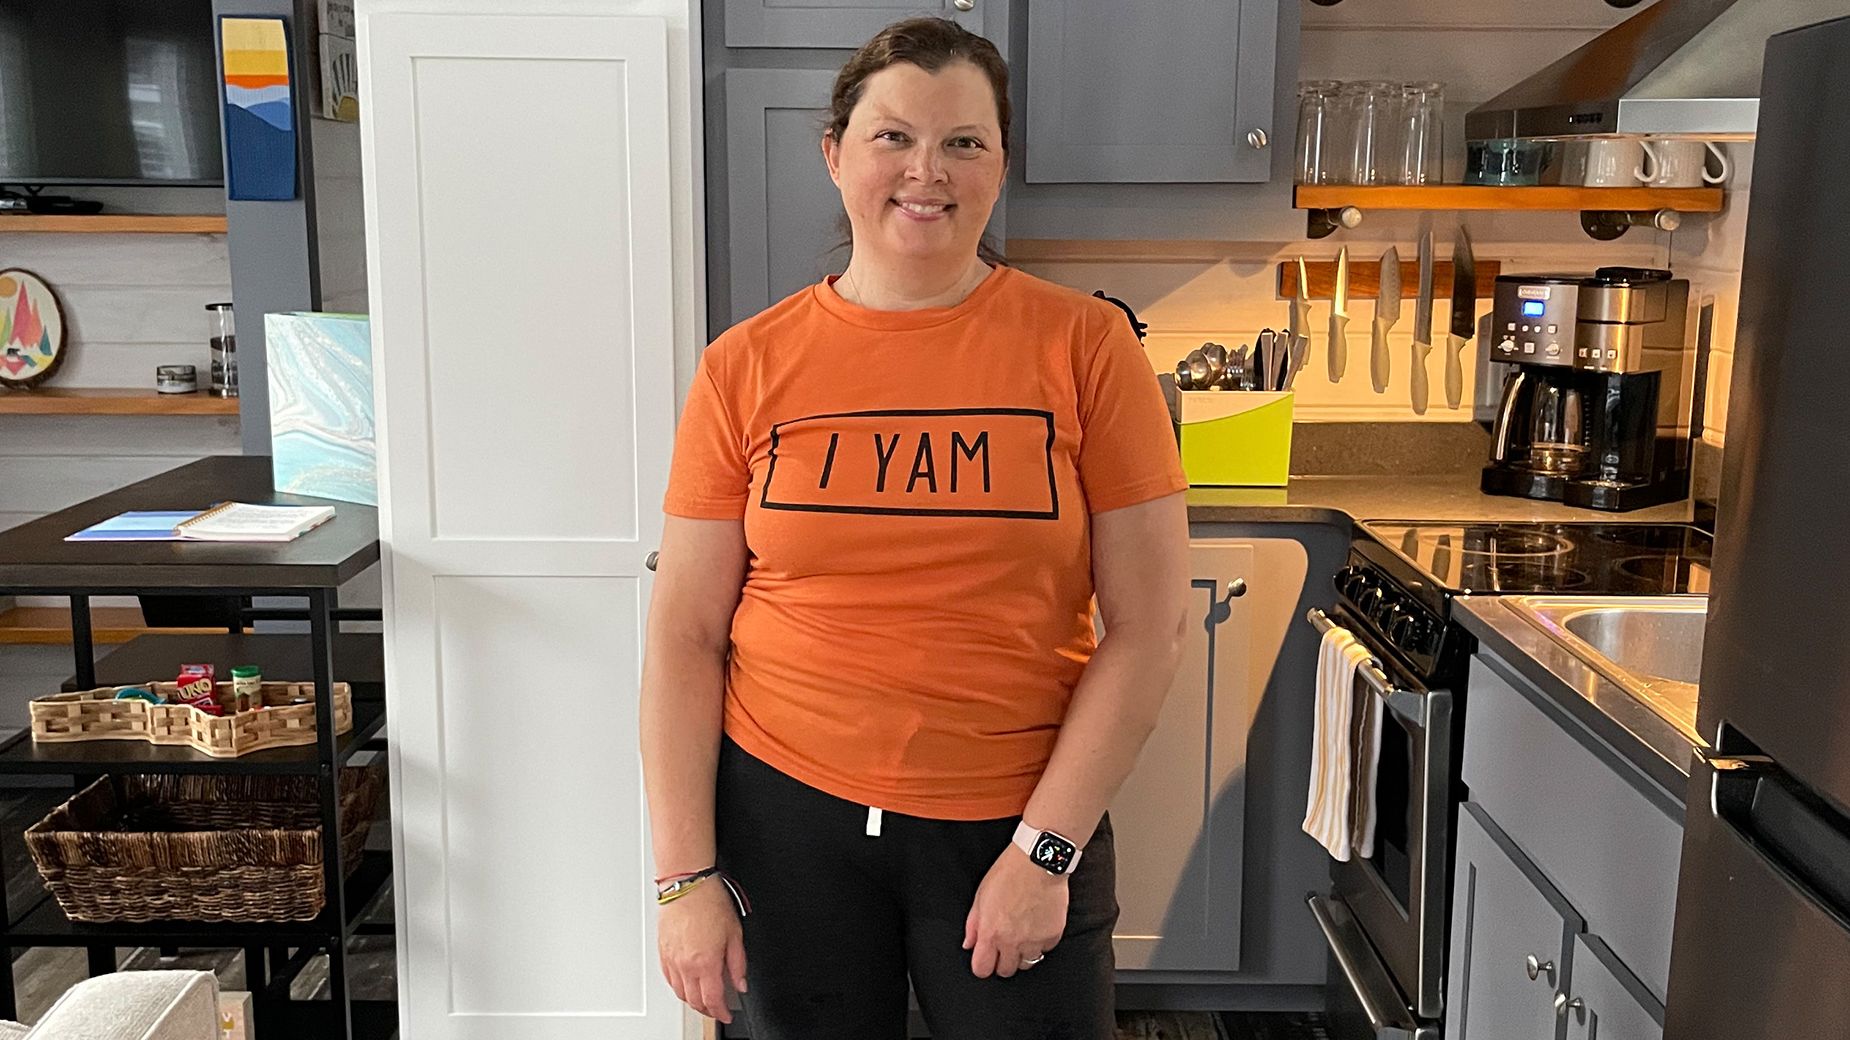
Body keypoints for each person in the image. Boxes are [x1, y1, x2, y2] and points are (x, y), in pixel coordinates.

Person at [639, 16, 1190, 1040]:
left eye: (962, 142)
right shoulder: (742, 367)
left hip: (1011, 815)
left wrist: (1045, 850)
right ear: (834, 154)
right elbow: (683, 634)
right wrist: (684, 879)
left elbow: (1148, 627)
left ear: (1000, 164)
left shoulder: (1086, 345)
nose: (923, 171)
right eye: (891, 136)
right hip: (782, 814)